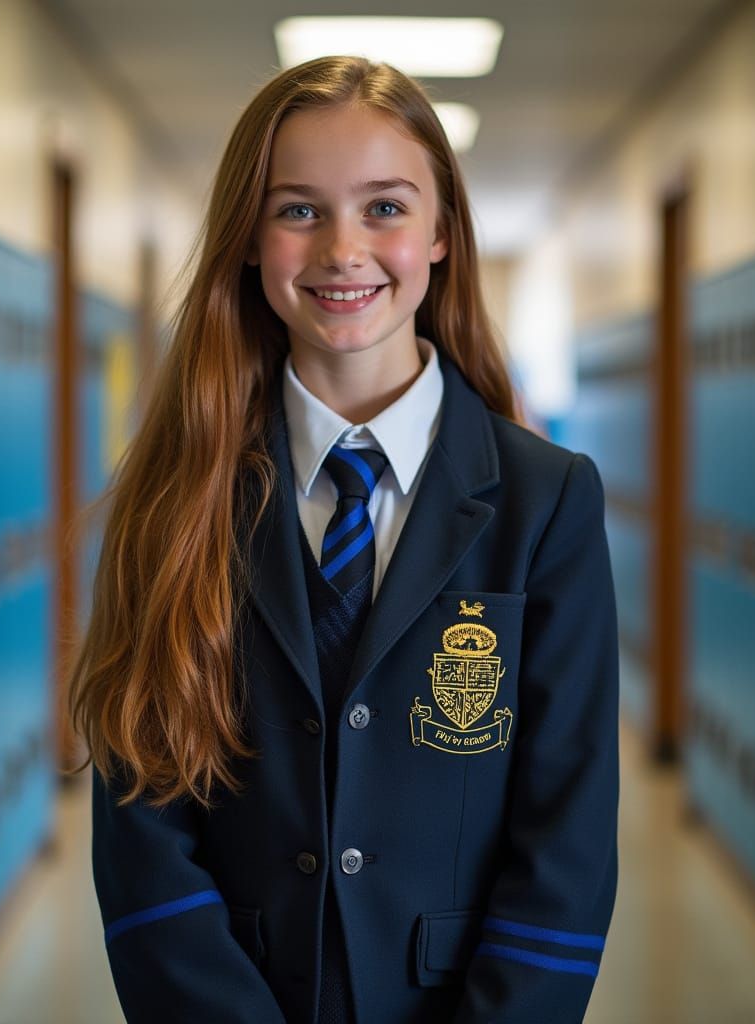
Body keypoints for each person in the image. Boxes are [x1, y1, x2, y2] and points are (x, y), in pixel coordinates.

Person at [68, 55, 619, 1024]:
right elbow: (141, 820)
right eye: (298, 210)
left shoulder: (545, 503)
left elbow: (566, 830)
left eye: (385, 208)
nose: (342, 248)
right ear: (247, 236)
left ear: (443, 231)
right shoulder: (173, 495)